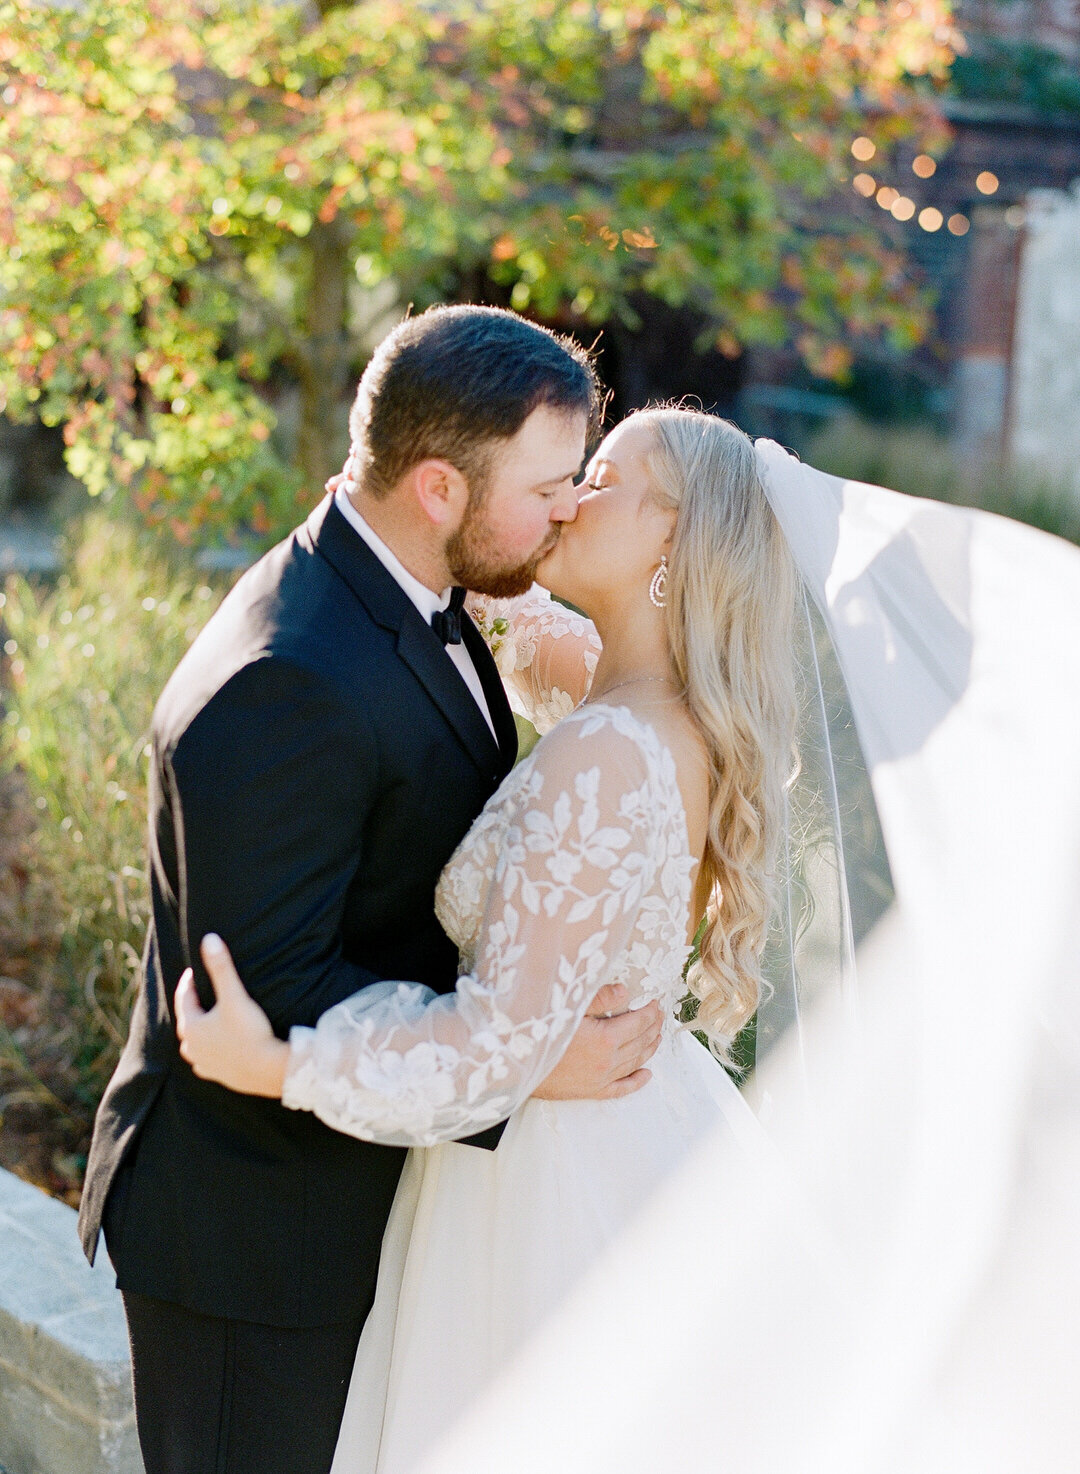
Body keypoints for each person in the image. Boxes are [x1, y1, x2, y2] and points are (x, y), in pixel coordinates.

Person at [77, 305, 665, 1474]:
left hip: (353, 1192)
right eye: (549, 485)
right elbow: (261, 991)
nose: (568, 510)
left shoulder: (415, 581)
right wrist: (526, 1057)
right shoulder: (285, 683)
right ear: (440, 488)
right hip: (255, 1242)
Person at [175, 405, 799, 1473]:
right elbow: (529, 644)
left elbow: (494, 1045)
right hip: (638, 1132)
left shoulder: (605, 756)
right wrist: (407, 533)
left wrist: (280, 1061)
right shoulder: (665, 698)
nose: (567, 496)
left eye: (598, 478)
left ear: (671, 536)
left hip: (544, 1187)